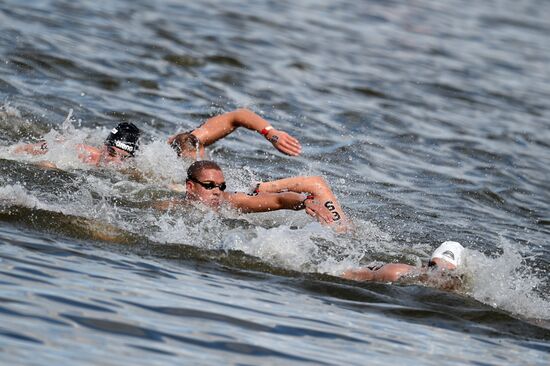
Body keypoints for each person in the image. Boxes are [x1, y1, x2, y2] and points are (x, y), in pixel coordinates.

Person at [156, 160, 348, 229]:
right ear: (190, 187)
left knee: (316, 185)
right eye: (209, 186)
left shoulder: (230, 201)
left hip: (257, 195)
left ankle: (262, 186)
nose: (216, 192)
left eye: (221, 186)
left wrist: (304, 201)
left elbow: (280, 200)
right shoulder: (168, 207)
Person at [168, 108, 302, 159]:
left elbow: (238, 115)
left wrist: (271, 133)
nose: (199, 163)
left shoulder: (197, 138)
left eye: (199, 159)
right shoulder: (167, 166)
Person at [13, 122, 141, 167]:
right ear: (104, 147)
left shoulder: (131, 170)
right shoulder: (80, 152)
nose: (116, 162)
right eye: (112, 153)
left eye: (124, 158)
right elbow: (25, 149)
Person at [341, 241, 465, 284]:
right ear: (426, 266)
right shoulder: (396, 274)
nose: (438, 275)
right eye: (434, 268)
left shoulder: (460, 290)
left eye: (447, 273)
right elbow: (345, 275)